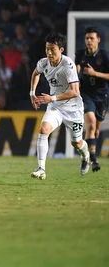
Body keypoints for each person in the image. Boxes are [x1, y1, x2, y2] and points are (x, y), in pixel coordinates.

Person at [30, 33, 91, 180]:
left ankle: (86, 156)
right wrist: (32, 92)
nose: (49, 53)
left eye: (53, 49)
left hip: (73, 108)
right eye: (47, 49)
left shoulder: (68, 65)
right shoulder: (44, 62)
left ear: (61, 49)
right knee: (43, 129)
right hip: (56, 106)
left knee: (76, 143)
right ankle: (41, 169)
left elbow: (75, 92)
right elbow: (35, 73)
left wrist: (52, 97)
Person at [75, 26, 108, 172]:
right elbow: (76, 69)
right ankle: (92, 160)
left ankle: (88, 156)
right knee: (91, 125)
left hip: (102, 96)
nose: (88, 41)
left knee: (96, 131)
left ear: (98, 40)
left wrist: (95, 73)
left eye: (91, 38)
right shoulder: (80, 55)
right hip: (86, 95)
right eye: (86, 38)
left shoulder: (105, 56)